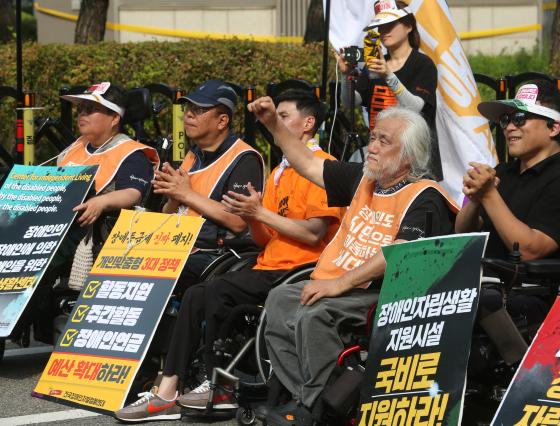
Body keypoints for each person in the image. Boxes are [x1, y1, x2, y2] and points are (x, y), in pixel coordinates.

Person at [114, 89, 342, 422]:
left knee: (215, 288)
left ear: (308, 124)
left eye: (283, 116)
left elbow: (312, 233)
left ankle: (214, 383)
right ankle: (166, 390)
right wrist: (251, 215)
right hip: (267, 261)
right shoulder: (281, 170)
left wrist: (256, 215)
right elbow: (263, 237)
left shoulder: (323, 168)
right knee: (195, 294)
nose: (274, 123)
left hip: (300, 268)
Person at [248, 98, 458, 425]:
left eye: (383, 141)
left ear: (408, 154)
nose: (372, 146)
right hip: (346, 285)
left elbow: (399, 254)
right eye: (373, 137)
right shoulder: (364, 179)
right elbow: (306, 162)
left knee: (315, 314)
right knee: (279, 300)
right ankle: (317, 398)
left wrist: (338, 284)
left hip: (384, 293)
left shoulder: (424, 195)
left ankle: (314, 408)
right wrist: (274, 123)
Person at [13, 82, 159, 344]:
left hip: (90, 230)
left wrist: (101, 203)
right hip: (55, 225)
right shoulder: (75, 149)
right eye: (81, 109)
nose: (82, 114)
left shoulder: (131, 153)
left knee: (33, 257)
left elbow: (133, 193)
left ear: (114, 118)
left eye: (91, 109)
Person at [455, 79, 560, 326]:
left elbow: (529, 250)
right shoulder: (503, 173)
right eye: (506, 120)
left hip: (536, 296)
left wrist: (488, 195)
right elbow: (463, 234)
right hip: (488, 284)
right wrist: (474, 200)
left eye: (519, 118)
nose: (508, 128)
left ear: (553, 128)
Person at [152, 80, 264, 294]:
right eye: (188, 109)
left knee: (154, 272)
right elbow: (169, 213)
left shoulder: (244, 159)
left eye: (199, 110)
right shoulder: (194, 154)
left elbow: (239, 222)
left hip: (215, 255)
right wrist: (173, 197)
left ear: (222, 121)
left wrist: (185, 194)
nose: (189, 115)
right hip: (176, 245)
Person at [335, 0, 441, 178]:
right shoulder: (375, 64)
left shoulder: (422, 64)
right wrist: (346, 75)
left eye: (390, 24)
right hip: (379, 156)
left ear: (408, 26)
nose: (384, 31)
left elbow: (417, 108)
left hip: (413, 161)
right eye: (380, 26)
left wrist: (388, 75)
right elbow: (349, 102)